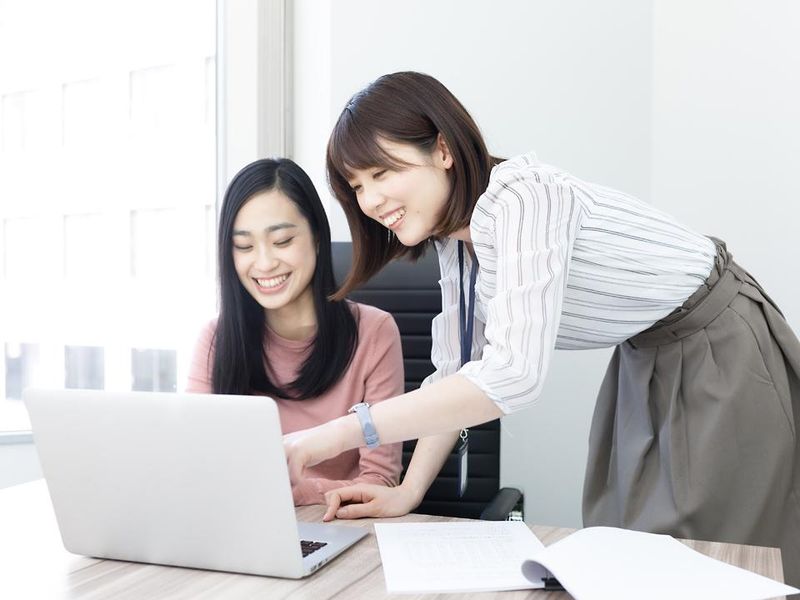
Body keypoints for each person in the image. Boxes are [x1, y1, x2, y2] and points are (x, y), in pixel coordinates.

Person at [282, 72, 800, 584]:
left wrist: (340, 432)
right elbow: (457, 376)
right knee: (634, 545)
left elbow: (512, 377)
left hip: (717, 342)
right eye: (357, 186)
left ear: (442, 150)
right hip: (645, 353)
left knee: (720, 557)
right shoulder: (458, 244)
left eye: (381, 173)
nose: (370, 201)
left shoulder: (523, 197)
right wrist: (407, 493)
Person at [187, 158, 404, 506]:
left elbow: (379, 480)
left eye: (282, 240)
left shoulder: (374, 332)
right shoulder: (216, 339)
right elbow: (194, 462)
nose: (264, 263)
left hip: (337, 522)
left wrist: (286, 495)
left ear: (317, 237)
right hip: (243, 522)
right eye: (244, 246)